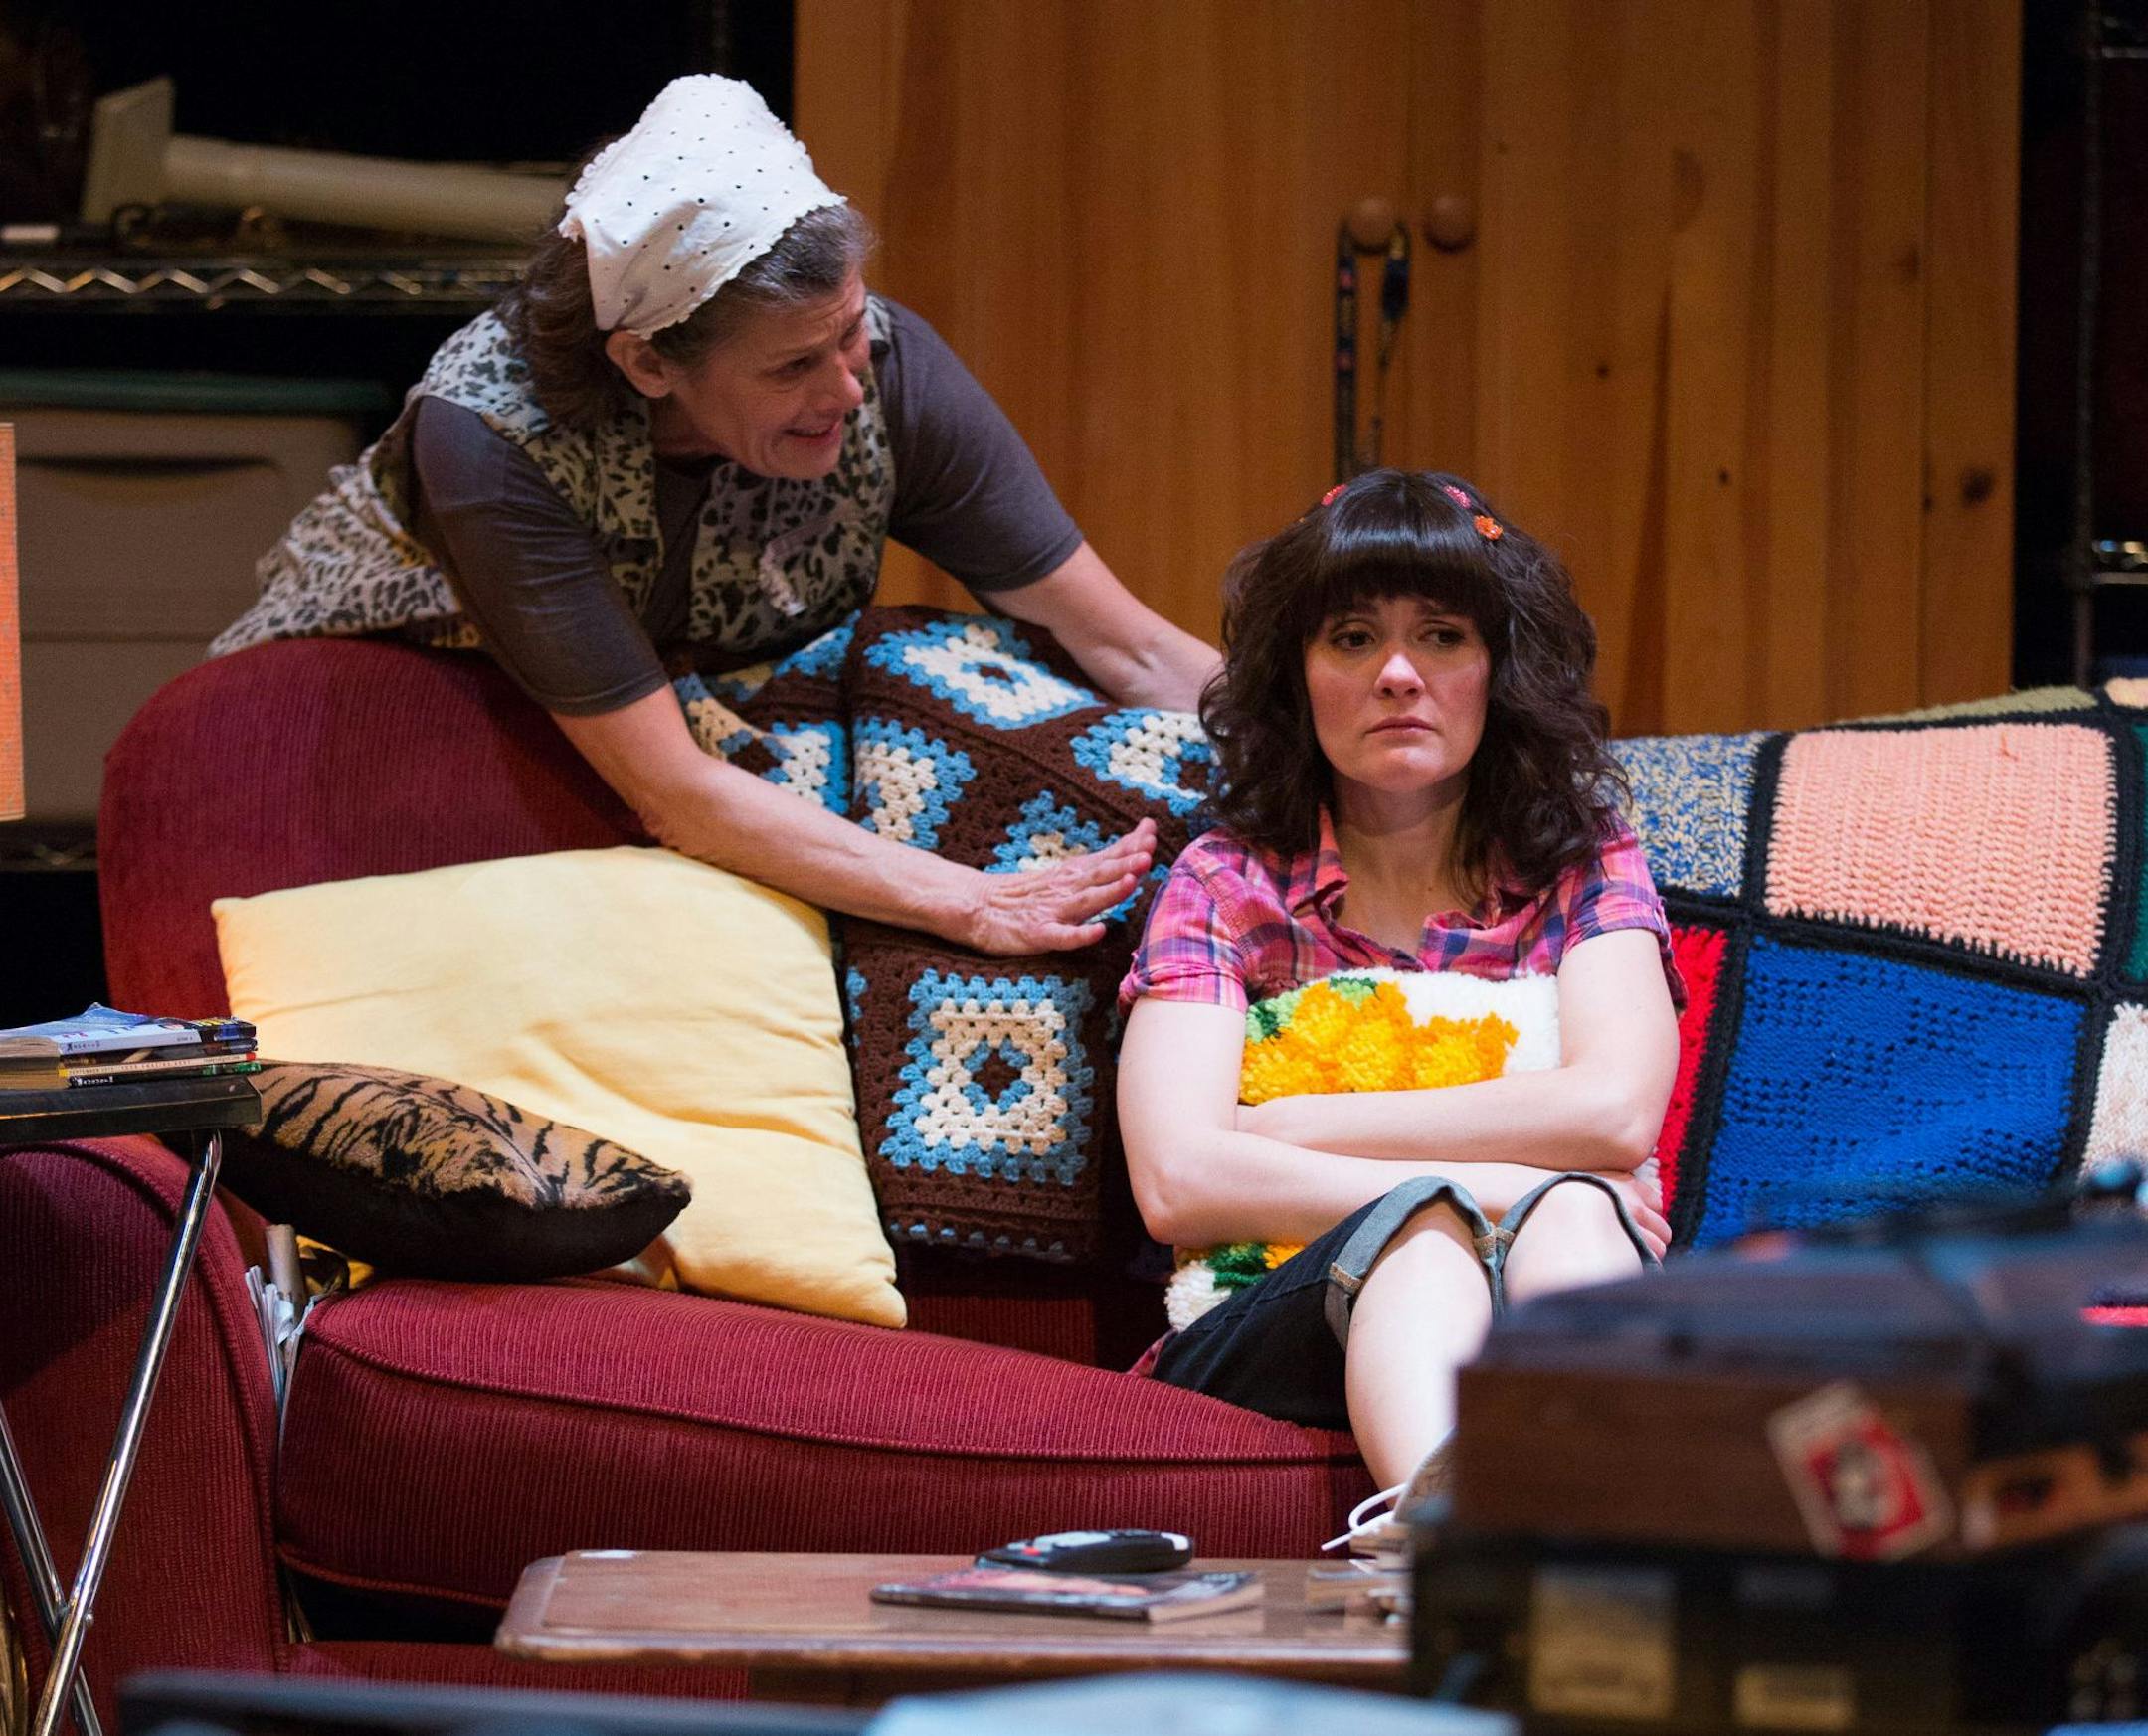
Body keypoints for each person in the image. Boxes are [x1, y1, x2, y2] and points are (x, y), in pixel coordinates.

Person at [210, 76, 1216, 955]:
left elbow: (1122, 645)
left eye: (851, 332)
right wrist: (975, 903)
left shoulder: (884, 369)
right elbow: (674, 793)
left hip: (717, 738)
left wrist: (1335, 751)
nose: (847, 389)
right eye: (792, 367)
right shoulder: (490, 435)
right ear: (649, 363)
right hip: (432, 728)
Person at [1115, 468, 1684, 1541]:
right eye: (1351, 639)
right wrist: (1494, 1180)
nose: (1399, 675)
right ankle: (1447, 1534)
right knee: (1425, 1227)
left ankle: (1580, 1533)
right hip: (1270, 1313)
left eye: (1443, 637)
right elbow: (1179, 1181)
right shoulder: (1225, 882)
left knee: (1575, 1208)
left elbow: (1613, 1115)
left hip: (1542, 1273)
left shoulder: (1582, 863)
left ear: (1497, 669)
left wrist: (1289, 1127)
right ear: (1297, 676)